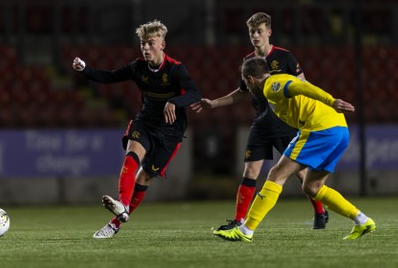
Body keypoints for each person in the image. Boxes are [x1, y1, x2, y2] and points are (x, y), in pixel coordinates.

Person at [214, 56, 376, 242]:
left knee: (276, 174)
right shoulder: (276, 82)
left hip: (320, 128)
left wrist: (331, 101)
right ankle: (362, 220)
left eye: (246, 83)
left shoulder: (271, 85)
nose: (248, 89)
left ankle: (245, 230)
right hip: (338, 129)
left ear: (250, 79)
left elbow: (301, 86)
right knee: (312, 187)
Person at [191, 12, 328, 230]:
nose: (255, 35)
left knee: (301, 174)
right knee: (250, 172)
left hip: (285, 123)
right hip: (262, 124)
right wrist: (215, 103)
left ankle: (320, 212)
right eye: (252, 32)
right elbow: (242, 92)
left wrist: (307, 116)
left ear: (269, 32)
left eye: (259, 31)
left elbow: (304, 86)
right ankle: (239, 220)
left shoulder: (285, 58)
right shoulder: (249, 61)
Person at [72, 20, 201, 239]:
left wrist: (175, 101)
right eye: (143, 44)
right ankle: (122, 204)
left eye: (151, 43)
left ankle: (114, 224)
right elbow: (109, 77)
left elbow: (194, 94)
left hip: (170, 132)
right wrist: (85, 69)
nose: (146, 48)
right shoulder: (137, 67)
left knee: (143, 179)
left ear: (162, 45)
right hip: (146, 122)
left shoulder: (176, 69)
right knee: (132, 155)